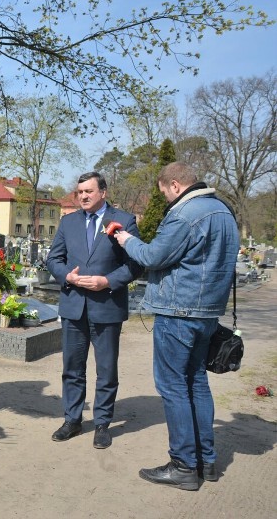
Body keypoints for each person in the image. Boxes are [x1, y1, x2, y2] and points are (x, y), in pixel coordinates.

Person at [113, 162, 239, 490]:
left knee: (173, 387)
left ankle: (183, 465)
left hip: (178, 311)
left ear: (174, 185)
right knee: (196, 382)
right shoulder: (224, 212)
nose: (165, 199)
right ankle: (205, 461)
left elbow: (154, 256)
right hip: (207, 313)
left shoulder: (185, 213)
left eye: (164, 193)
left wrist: (125, 238)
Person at [45, 171, 141, 449]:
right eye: (80, 192)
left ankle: (102, 424)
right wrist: (68, 276)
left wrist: (107, 281)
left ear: (103, 192)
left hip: (107, 306)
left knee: (106, 370)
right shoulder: (68, 222)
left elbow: (135, 264)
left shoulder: (123, 221)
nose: (83, 196)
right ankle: (72, 419)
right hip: (74, 305)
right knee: (72, 368)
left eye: (88, 191)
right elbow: (54, 259)